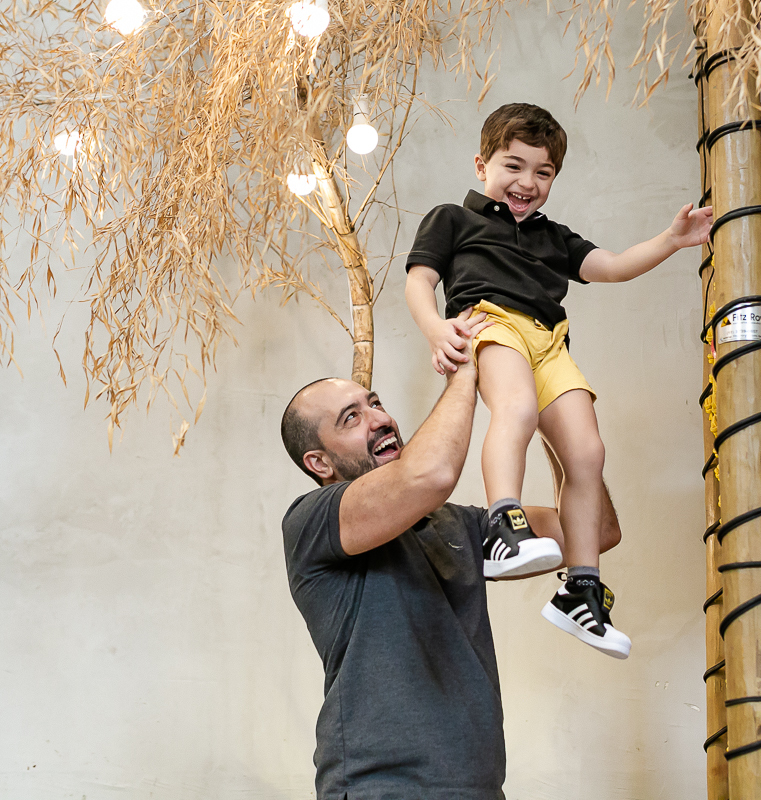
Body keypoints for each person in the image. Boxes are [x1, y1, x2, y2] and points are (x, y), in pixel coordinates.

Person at [405, 102, 712, 659]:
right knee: (516, 410)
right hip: (489, 319)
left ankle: (582, 590)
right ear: (482, 165)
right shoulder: (452, 218)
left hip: (550, 339)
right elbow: (419, 281)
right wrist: (435, 329)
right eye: (513, 166)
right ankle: (505, 524)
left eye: (542, 172)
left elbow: (614, 265)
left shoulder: (554, 237)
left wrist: (671, 240)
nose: (527, 182)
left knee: (588, 452)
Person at [278, 318, 621, 800]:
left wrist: (549, 406)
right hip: (380, 788)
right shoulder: (313, 521)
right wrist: (466, 369)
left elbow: (596, 530)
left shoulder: (458, 523)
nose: (379, 418)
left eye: (374, 402)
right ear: (320, 463)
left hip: (479, 789)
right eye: (351, 418)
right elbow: (431, 473)